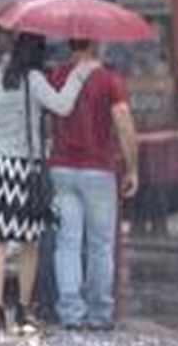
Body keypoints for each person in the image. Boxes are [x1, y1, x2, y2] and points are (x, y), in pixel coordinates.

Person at [0, 32, 98, 334]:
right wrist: (80, 74)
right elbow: (63, 105)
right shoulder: (33, 79)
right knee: (29, 241)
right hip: (24, 168)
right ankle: (22, 309)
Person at [47, 40, 138, 330]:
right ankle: (99, 313)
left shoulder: (57, 76)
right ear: (96, 43)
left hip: (62, 168)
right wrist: (132, 168)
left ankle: (70, 312)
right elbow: (123, 122)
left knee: (67, 243)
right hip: (98, 170)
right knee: (100, 244)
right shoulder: (108, 79)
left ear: (70, 44)